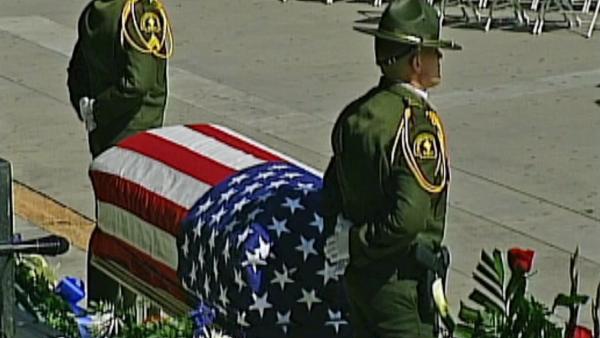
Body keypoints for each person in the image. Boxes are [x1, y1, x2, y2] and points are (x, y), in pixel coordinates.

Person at [321, 0, 461, 337]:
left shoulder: (357, 114)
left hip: (361, 283)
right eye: (434, 52)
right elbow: (409, 219)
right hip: (402, 287)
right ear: (416, 61)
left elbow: (332, 189)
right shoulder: (416, 125)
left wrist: (348, 242)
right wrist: (357, 242)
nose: (439, 59)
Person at [67, 0, 174, 158]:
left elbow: (77, 72)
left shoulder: (93, 13)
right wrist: (99, 110)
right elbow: (139, 83)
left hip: (102, 134)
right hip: (137, 129)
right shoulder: (138, 13)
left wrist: (90, 111)